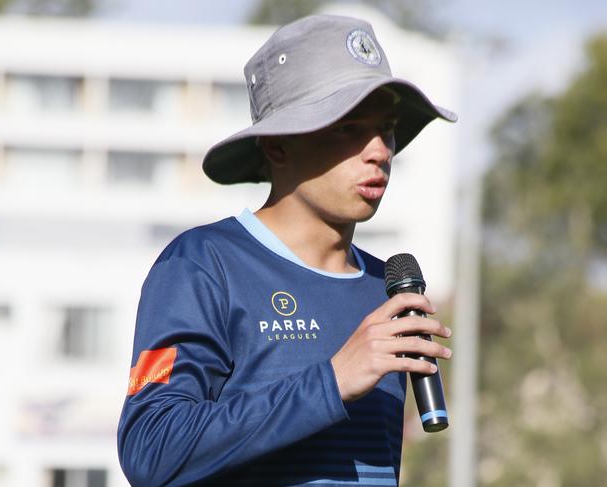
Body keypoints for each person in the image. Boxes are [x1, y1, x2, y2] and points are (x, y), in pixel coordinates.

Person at [118, 14, 456, 487]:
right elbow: (151, 451)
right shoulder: (203, 264)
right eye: (349, 127)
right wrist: (332, 382)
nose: (379, 150)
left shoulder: (387, 293)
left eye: (387, 128)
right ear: (277, 145)